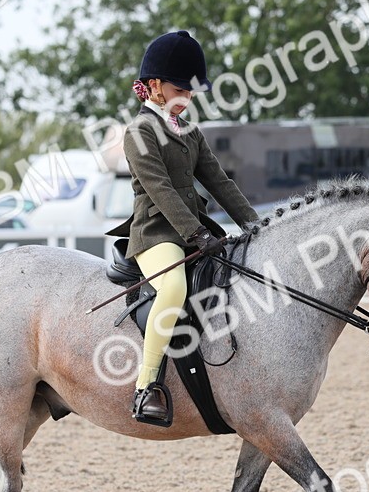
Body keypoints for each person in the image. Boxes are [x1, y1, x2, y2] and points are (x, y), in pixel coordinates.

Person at [105, 30, 260, 426]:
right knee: (174, 288)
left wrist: (257, 225)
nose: (187, 98)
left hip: (195, 230)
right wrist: (196, 234)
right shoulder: (139, 132)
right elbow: (159, 189)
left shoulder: (188, 130)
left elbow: (219, 181)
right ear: (154, 86)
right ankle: (147, 386)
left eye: (191, 92)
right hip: (156, 234)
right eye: (180, 89)